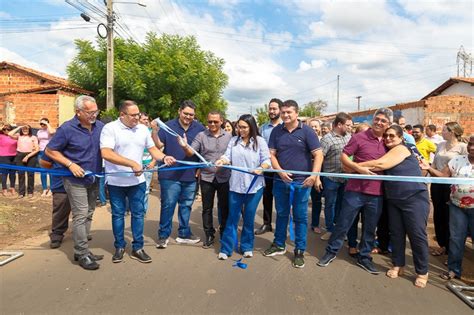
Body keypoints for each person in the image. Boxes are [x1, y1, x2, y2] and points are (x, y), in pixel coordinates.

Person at [318, 108, 392, 274]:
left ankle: (364, 257)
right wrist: (359, 168)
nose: (379, 123)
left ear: (389, 124)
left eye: (383, 121)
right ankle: (331, 252)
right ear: (373, 120)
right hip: (355, 190)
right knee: (344, 223)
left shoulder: (390, 142)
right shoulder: (359, 137)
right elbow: (344, 157)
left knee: (369, 227)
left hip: (377, 193)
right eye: (377, 119)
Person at [101, 100, 176, 264]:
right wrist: (132, 164)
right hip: (116, 182)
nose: (138, 117)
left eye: (138, 114)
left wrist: (164, 157)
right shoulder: (110, 129)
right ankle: (119, 246)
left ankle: (138, 247)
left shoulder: (142, 129)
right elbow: (106, 153)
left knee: (138, 214)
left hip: (138, 181)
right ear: (122, 115)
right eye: (133, 115)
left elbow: (153, 149)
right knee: (118, 215)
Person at [357, 125, 430, 288]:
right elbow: (377, 164)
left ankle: (422, 271)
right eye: (386, 136)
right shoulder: (387, 150)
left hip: (414, 198)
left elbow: (380, 164)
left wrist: (353, 165)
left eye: (392, 136)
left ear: (401, 138)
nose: (388, 138)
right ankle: (398, 264)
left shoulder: (402, 149)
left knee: (417, 235)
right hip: (394, 199)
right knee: (396, 234)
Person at [46, 95, 104, 270]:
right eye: (90, 112)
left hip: (94, 178)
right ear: (78, 112)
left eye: (96, 111)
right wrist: (70, 164)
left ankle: (82, 249)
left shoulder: (100, 127)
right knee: (80, 214)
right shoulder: (66, 129)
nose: (94, 115)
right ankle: (82, 253)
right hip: (74, 179)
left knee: (89, 213)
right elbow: (50, 150)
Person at [263, 100, 323, 269]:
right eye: (283, 112)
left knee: (300, 217)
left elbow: (318, 155)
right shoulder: (276, 131)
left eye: (289, 112)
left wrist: (314, 175)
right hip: (280, 182)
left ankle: (299, 250)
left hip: (302, 183)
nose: (285, 115)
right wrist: (280, 172)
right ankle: (279, 244)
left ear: (296, 113)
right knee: (281, 213)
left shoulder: (307, 131)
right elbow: (272, 155)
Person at [215, 114, 271, 260]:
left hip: (254, 187)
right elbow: (227, 156)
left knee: (249, 217)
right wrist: (222, 161)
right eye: (239, 127)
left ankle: (246, 246)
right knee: (232, 218)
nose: (241, 130)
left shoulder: (260, 141)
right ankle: (226, 249)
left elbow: (267, 160)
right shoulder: (234, 141)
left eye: (244, 127)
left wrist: (261, 168)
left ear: (252, 127)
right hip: (235, 186)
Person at [152, 100, 206, 248]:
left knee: (186, 205)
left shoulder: (199, 128)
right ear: (179, 111)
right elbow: (159, 146)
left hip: (190, 175)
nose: (188, 117)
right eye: (186, 113)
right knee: (168, 205)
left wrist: (201, 168)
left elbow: (202, 151)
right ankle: (163, 235)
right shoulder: (168, 126)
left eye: (191, 114)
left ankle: (184, 232)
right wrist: (155, 133)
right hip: (169, 175)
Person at [178, 111, 232, 248]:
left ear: (221, 121)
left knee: (224, 207)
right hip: (207, 178)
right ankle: (209, 234)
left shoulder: (230, 137)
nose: (212, 124)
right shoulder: (201, 136)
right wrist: (184, 146)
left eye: (215, 121)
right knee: (207, 208)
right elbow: (191, 152)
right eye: (210, 122)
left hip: (224, 177)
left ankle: (224, 231)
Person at [423, 135, 474, 280]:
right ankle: (454, 270)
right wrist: (429, 169)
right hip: (457, 206)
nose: (471, 147)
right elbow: (443, 175)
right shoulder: (457, 160)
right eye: (470, 144)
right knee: (456, 238)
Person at [427, 122, 467, 257]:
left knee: (451, 215)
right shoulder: (440, 145)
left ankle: (453, 250)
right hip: (437, 182)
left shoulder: (462, 147)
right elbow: (433, 164)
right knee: (439, 214)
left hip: (452, 184)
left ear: (452, 132)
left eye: (444, 130)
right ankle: (442, 245)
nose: (441, 132)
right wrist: (430, 172)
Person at [319, 113, 353, 242]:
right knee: (330, 205)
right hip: (331, 179)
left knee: (342, 205)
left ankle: (339, 230)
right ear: (339, 124)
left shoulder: (349, 137)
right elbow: (320, 157)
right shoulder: (327, 139)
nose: (350, 127)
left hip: (345, 179)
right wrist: (317, 177)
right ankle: (329, 229)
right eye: (348, 125)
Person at [255, 98, 283, 235]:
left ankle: (281, 225)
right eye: (270, 109)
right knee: (267, 197)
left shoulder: (285, 126)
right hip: (267, 169)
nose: (271, 111)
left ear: (280, 110)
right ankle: (267, 223)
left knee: (281, 198)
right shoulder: (263, 128)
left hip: (282, 170)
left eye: (274, 109)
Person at [39, 154, 71, 249]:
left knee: (83, 211)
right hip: (60, 183)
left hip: (80, 181)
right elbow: (44, 162)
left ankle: (82, 233)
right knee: (60, 208)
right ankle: (57, 234)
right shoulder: (56, 143)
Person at [8, 124, 39, 198]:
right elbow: (9, 134)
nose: (25, 130)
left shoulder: (33, 137)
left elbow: (37, 149)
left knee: (30, 174)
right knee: (21, 174)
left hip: (30, 155)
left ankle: (30, 191)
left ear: (30, 130)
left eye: (27, 129)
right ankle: (21, 192)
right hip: (20, 155)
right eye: (24, 129)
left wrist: (27, 156)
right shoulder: (19, 136)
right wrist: (19, 127)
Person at [307, 118, 323, 234]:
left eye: (316, 126)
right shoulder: (305, 139)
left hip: (319, 174)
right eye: (311, 126)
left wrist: (317, 177)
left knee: (317, 200)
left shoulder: (323, 141)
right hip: (306, 174)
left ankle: (315, 223)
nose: (314, 129)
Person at [138, 112, 156, 214]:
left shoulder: (151, 133)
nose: (146, 121)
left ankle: (143, 210)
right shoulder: (133, 132)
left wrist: (153, 161)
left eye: (147, 119)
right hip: (136, 166)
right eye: (144, 119)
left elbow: (158, 148)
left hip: (148, 165)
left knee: (145, 189)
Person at [37, 118, 56, 197]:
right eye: (41, 124)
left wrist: (47, 124)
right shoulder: (39, 131)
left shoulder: (50, 130)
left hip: (49, 152)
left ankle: (51, 189)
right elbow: (38, 141)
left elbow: (52, 132)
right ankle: (44, 189)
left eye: (44, 124)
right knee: (43, 171)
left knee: (51, 171)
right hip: (41, 151)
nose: (42, 125)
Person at [0, 124, 17, 197]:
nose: (6, 131)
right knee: (4, 173)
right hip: (4, 156)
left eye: (8, 129)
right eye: (4, 129)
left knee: (12, 173)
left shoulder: (15, 136)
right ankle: (4, 189)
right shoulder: (1, 136)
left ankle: (12, 187)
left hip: (14, 156)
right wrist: (1, 128)